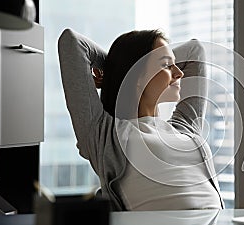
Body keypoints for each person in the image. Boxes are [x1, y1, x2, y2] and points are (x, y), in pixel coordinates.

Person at [58, 28, 224, 211]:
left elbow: (195, 50)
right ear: (137, 77)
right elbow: (71, 42)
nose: (179, 73)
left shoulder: (185, 126)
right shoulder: (105, 135)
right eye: (167, 65)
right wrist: (120, 71)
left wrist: (123, 70)